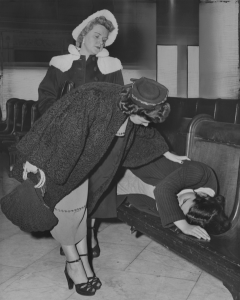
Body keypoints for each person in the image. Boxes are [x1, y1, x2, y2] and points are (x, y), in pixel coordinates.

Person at [10, 77, 188, 296]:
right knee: (67, 210)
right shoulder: (92, 98)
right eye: (146, 119)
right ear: (134, 108)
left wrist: (166, 151)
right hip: (65, 158)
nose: (147, 124)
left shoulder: (134, 105)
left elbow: (144, 131)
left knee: (85, 210)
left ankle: (83, 262)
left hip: (96, 161)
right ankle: (73, 264)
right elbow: (53, 128)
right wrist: (35, 159)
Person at [36, 9, 124, 255]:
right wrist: (62, 120)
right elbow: (45, 99)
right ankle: (70, 236)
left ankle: (89, 235)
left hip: (99, 138)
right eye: (96, 35)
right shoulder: (59, 64)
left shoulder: (111, 66)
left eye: (104, 39)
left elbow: (119, 102)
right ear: (83, 34)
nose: (100, 42)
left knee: (97, 188)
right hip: (64, 136)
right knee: (67, 190)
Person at [118, 157, 231, 240]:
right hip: (128, 161)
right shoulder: (201, 174)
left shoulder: (179, 208)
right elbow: (163, 190)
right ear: (203, 195)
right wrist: (184, 226)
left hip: (125, 185)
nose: (176, 201)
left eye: (178, 208)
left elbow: (144, 204)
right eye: (184, 201)